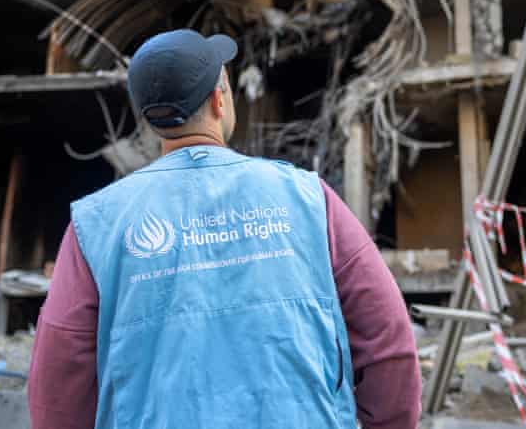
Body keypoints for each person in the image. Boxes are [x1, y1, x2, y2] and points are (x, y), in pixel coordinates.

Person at [28, 29, 421, 429]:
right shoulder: (307, 198)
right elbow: (386, 337)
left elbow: (59, 380)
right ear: (220, 99)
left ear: (148, 117)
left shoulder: (97, 223)